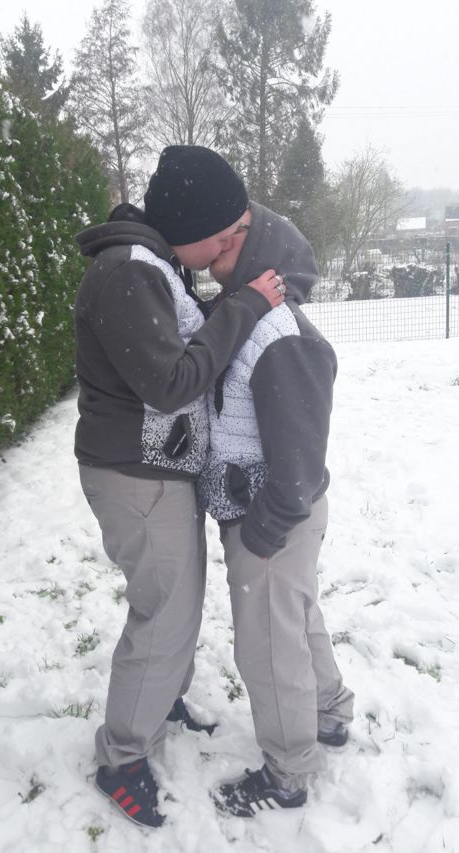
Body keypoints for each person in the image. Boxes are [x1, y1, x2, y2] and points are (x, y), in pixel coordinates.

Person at [74, 149, 285, 828]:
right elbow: (170, 383)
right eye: (221, 237)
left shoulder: (155, 265)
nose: (227, 249)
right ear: (187, 227)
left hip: (157, 471)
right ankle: (121, 756)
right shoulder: (129, 272)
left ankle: (158, 696)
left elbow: (177, 351)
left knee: (177, 603)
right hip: (136, 478)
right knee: (164, 612)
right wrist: (244, 306)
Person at [144, 145, 354, 818]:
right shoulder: (247, 310)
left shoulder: (279, 334)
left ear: (235, 242)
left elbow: (299, 461)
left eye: (211, 248)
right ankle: (329, 712)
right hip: (270, 513)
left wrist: (262, 532)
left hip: (272, 517)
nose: (200, 260)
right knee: (297, 618)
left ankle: (289, 771)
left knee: (267, 646)